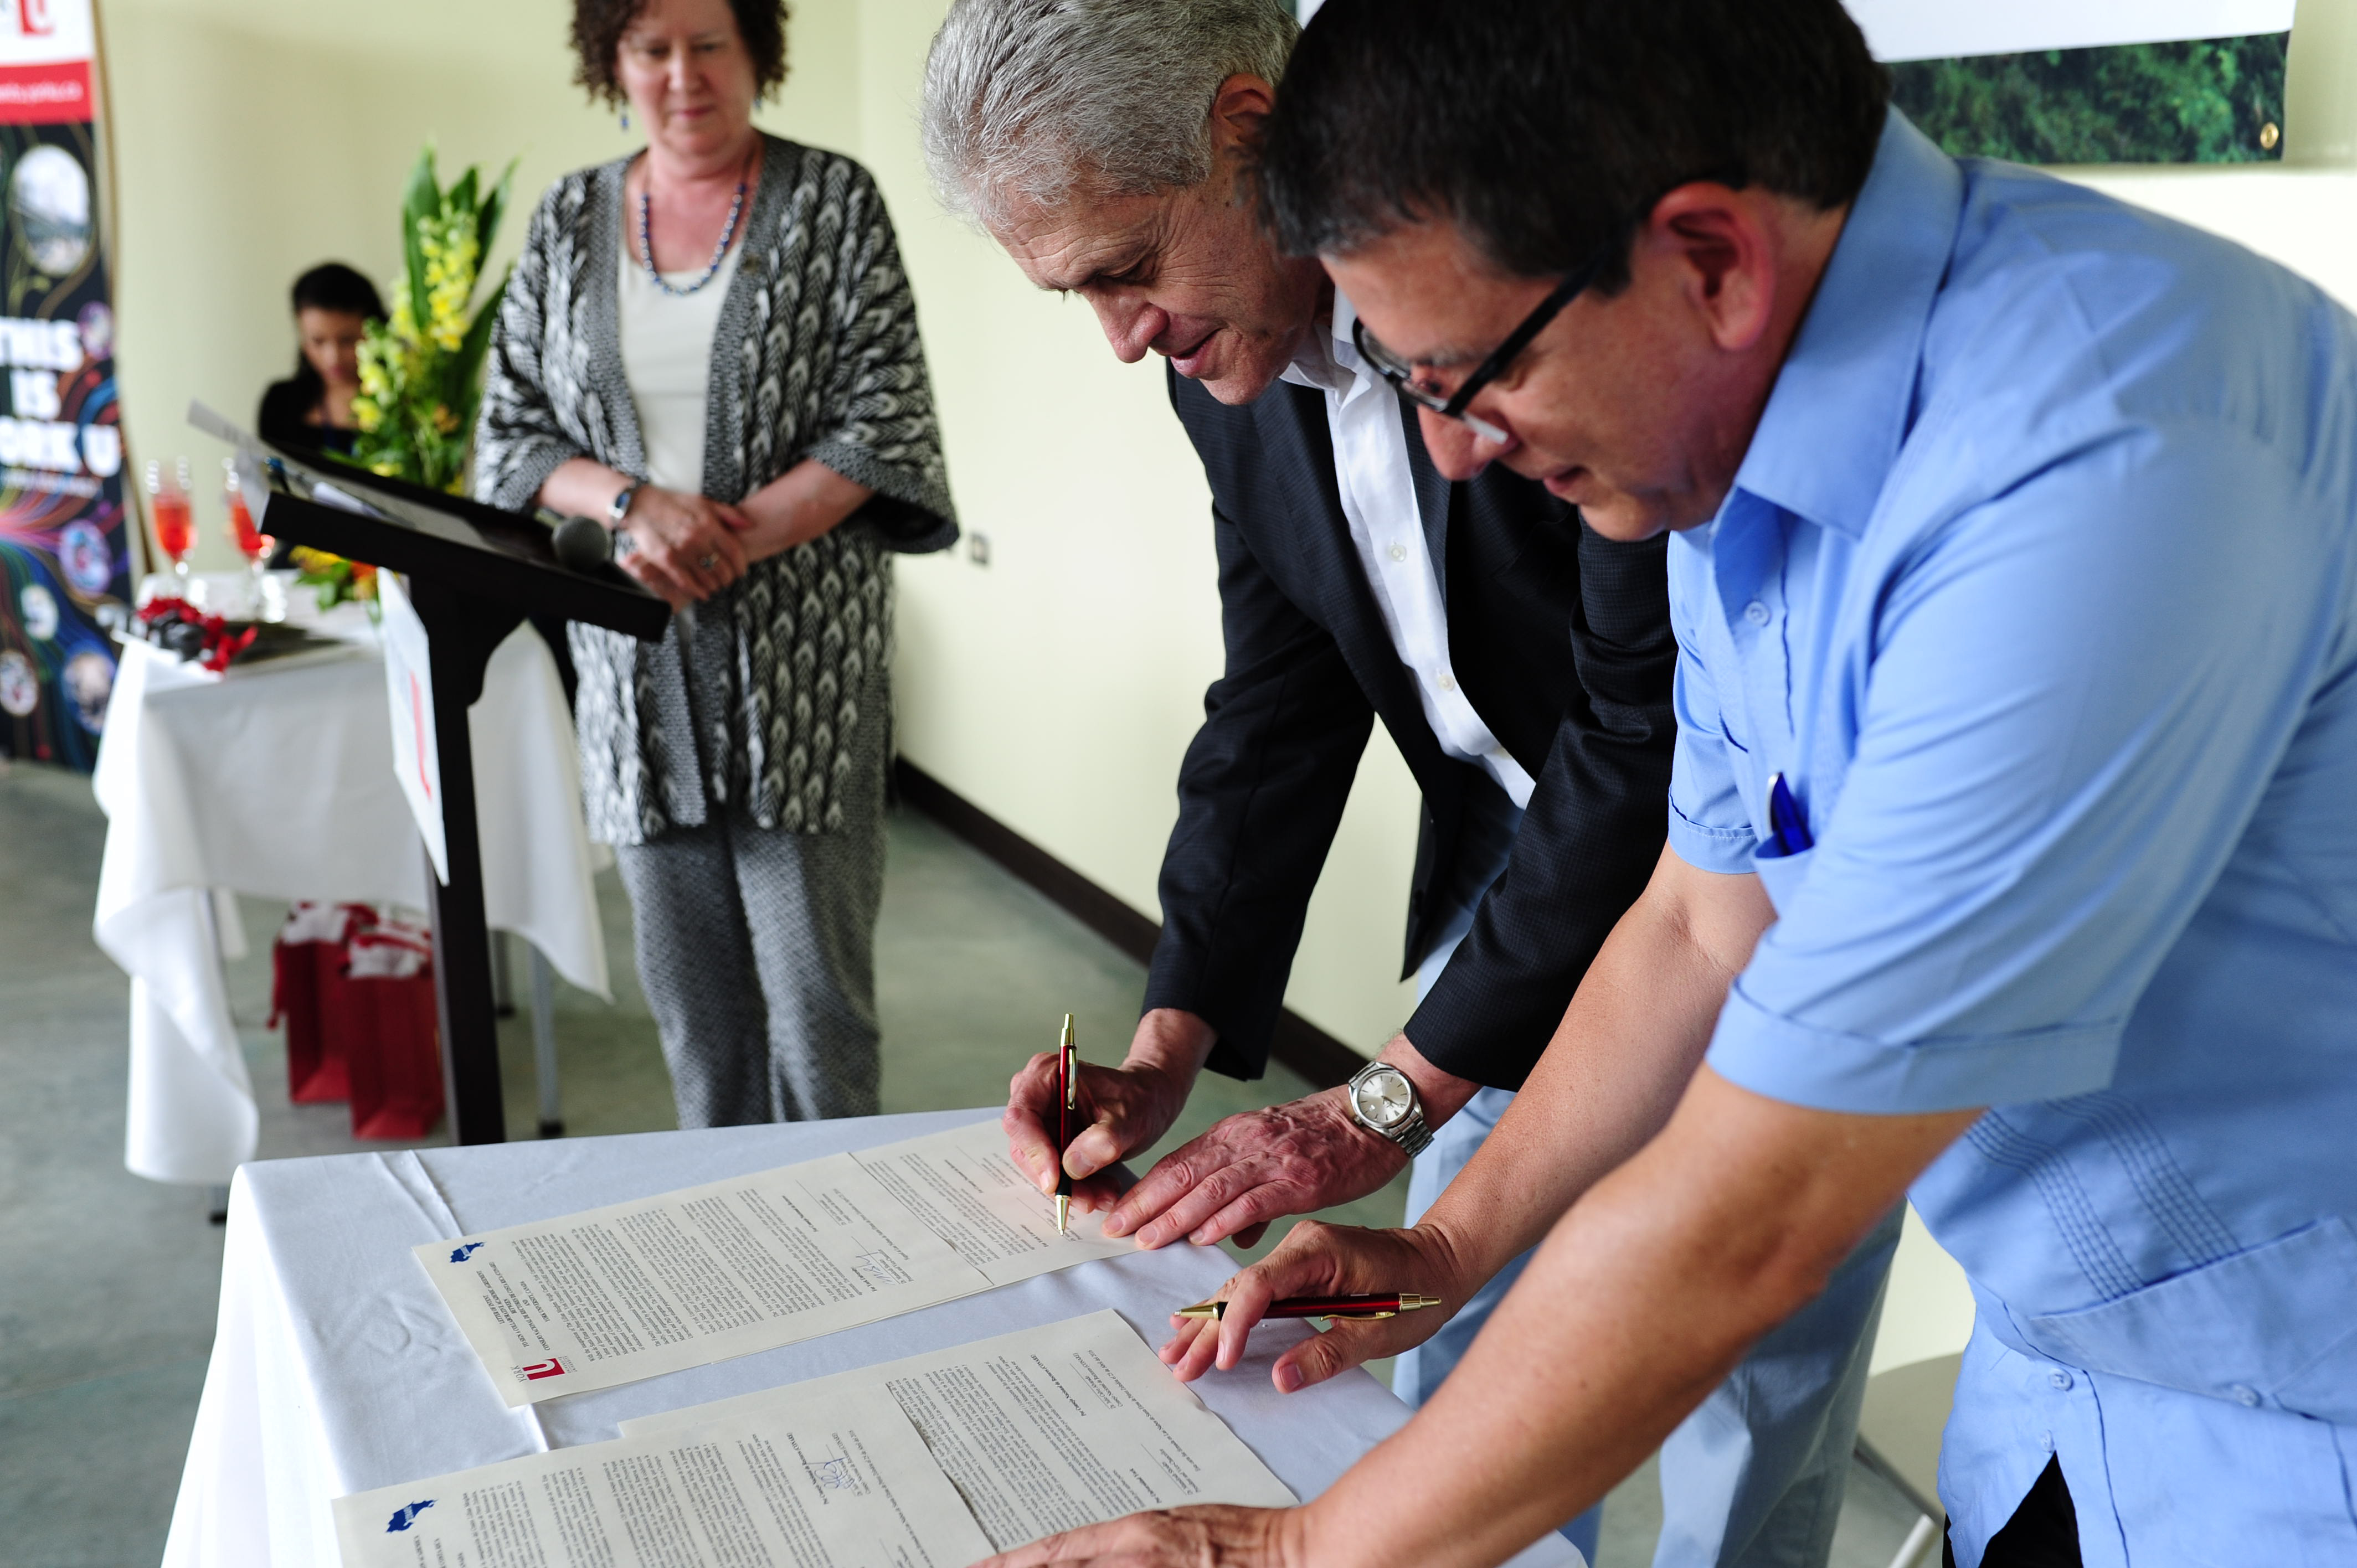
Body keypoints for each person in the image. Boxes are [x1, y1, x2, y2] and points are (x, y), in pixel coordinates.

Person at [974, 2, 2357, 1566]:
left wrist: (1285, 1552)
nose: (1451, 458)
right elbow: (1706, 921)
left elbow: (1746, 1219)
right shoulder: (1730, 448)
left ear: (1709, 262)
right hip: (2072, 1382)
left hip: (2297, 1414)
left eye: (1464, 377)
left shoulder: (2108, 462)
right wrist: (1448, 1243)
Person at [923, 6, 1897, 1564]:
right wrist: (1174, 1042)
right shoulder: (1212, 363)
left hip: (1750, 870)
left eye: (1124, 268)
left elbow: (1647, 746)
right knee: (1448, 1325)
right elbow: (1279, 700)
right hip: (1527, 876)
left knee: (1749, 1356)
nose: (1119, 334)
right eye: (1074, 298)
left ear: (1249, 134)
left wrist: (1387, 1098)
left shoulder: (1549, 290)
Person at [475, 0, 955, 1128]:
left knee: (817, 1008)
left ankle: (846, 1257)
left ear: (757, 54)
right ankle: (730, 1268)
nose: (681, 76)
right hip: (635, 679)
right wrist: (635, 507)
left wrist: (720, 541)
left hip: (808, 669)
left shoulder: (835, 201)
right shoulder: (566, 218)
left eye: (708, 44)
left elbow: (882, 423)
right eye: (651, 49)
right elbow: (512, 436)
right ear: (613, 62)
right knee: (696, 1016)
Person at [256, 262, 385, 457]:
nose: (333, 358)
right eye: (318, 341)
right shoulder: (280, 405)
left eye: (347, 340)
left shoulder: (406, 405)